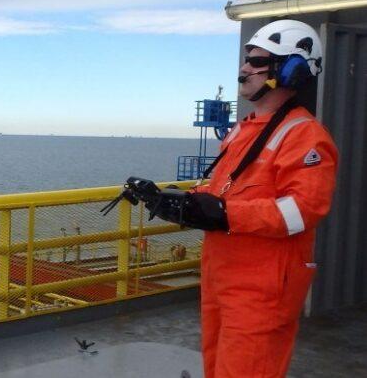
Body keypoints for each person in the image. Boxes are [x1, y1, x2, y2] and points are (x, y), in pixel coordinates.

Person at [118, 19, 337, 377]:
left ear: (291, 69)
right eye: (245, 59)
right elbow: (223, 192)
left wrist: (224, 215)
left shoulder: (306, 137)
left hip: (262, 287)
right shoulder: (243, 130)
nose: (244, 68)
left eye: (257, 60)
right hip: (223, 277)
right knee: (218, 366)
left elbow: (303, 210)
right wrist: (175, 202)